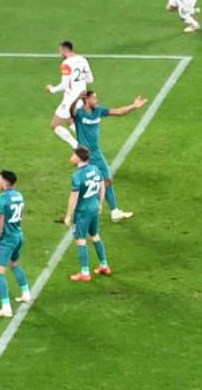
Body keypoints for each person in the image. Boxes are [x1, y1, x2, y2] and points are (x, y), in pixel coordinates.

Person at [73, 91, 148, 222]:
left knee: (103, 181)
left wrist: (134, 106)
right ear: (86, 99)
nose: (97, 100)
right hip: (87, 154)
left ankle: (112, 211)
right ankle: (103, 211)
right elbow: (69, 111)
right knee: (95, 183)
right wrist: (77, 98)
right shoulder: (79, 114)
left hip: (95, 152)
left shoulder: (98, 111)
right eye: (94, 98)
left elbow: (119, 112)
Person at [64, 147, 111, 282]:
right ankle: (104, 265)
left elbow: (74, 198)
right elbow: (102, 186)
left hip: (83, 212)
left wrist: (68, 216)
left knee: (81, 240)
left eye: (73, 154)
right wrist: (100, 203)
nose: (71, 156)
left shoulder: (77, 176)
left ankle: (84, 272)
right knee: (95, 236)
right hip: (94, 207)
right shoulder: (95, 169)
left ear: (78, 158)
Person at [0, 170, 31, 318]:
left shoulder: (1, 199)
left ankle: (6, 307)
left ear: (5, 181)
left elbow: (0, 226)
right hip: (18, 235)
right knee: (14, 264)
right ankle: (26, 293)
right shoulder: (18, 195)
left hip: (7, 239)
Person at [46, 41, 93, 150]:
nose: (59, 54)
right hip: (82, 97)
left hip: (71, 98)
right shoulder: (83, 60)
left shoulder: (66, 63)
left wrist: (52, 89)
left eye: (60, 51)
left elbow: (64, 85)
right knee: (70, 120)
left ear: (65, 50)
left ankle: (78, 147)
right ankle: (87, 142)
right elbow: (90, 79)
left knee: (55, 125)